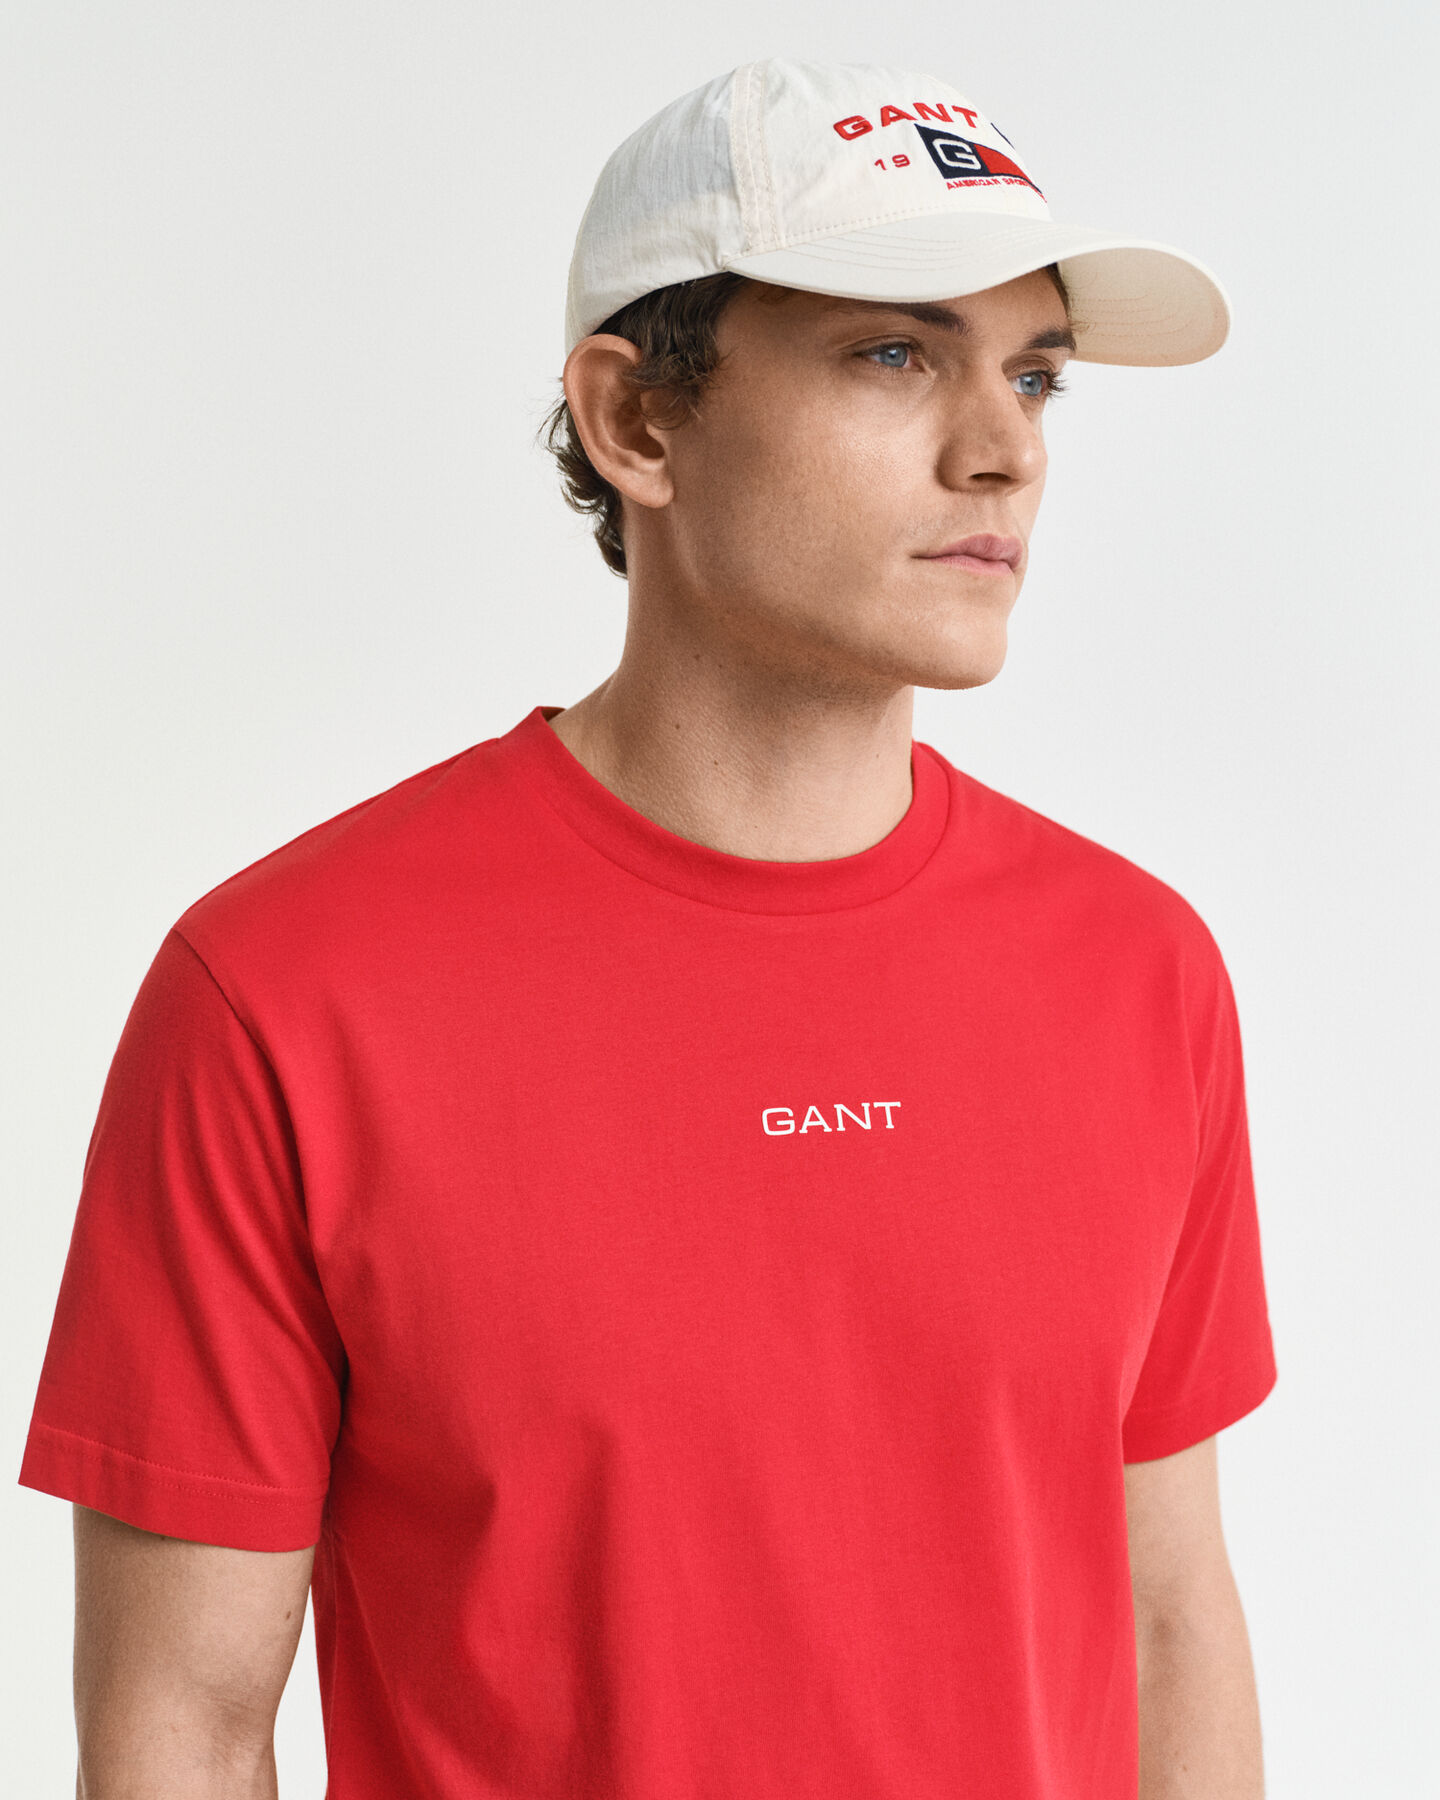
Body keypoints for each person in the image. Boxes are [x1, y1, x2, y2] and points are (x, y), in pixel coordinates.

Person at [19, 56, 1278, 1800]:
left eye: (1036, 374)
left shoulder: (1138, 973)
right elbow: (184, 1729)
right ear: (637, 424)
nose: (1005, 453)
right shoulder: (286, 996)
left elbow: (1168, 1625)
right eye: (894, 354)